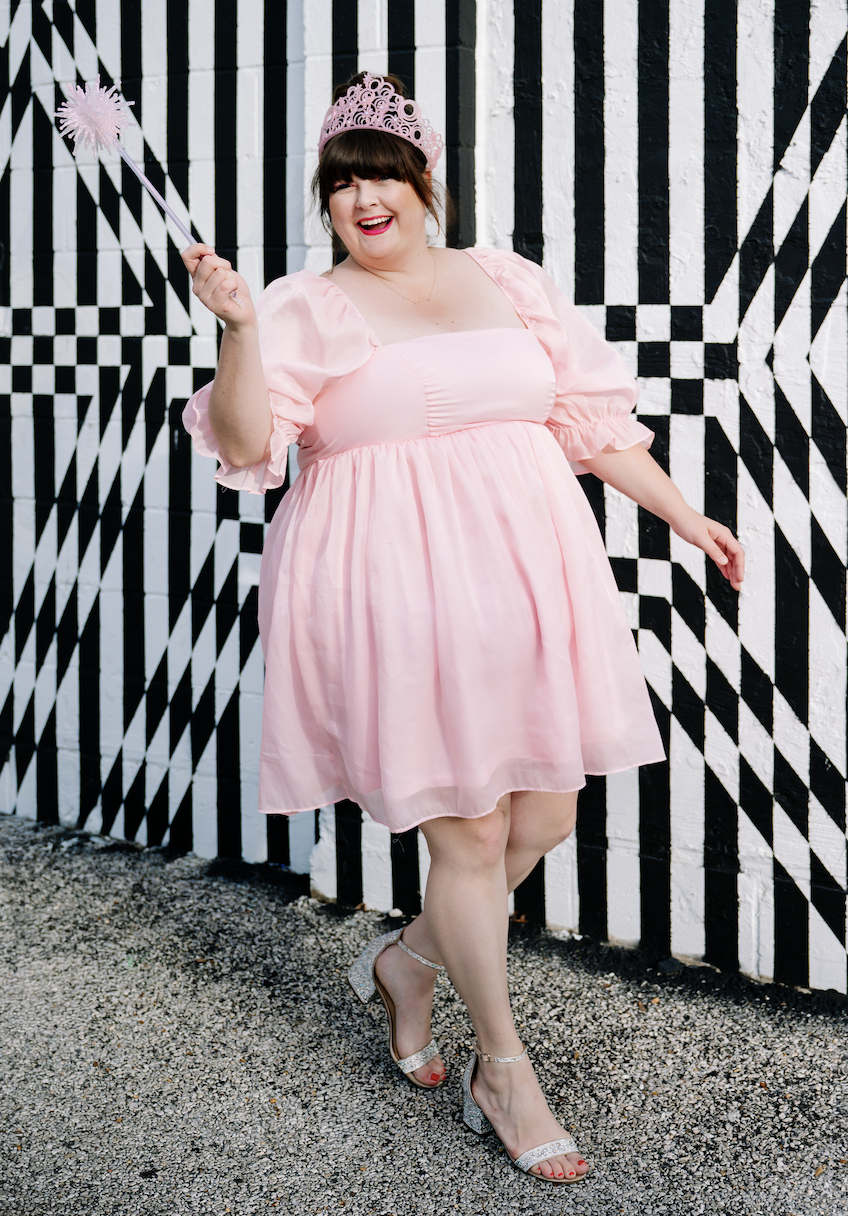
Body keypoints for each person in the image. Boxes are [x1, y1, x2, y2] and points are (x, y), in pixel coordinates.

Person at [182, 72, 744, 1185]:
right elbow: (246, 446)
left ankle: (405, 961)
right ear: (326, 202)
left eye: (379, 172)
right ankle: (502, 1066)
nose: (361, 197)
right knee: (469, 834)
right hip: (390, 585)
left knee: (544, 809)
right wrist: (238, 331)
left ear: (422, 180)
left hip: (527, 577)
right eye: (340, 182)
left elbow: (585, 424)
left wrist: (686, 516)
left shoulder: (504, 278)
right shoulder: (301, 304)